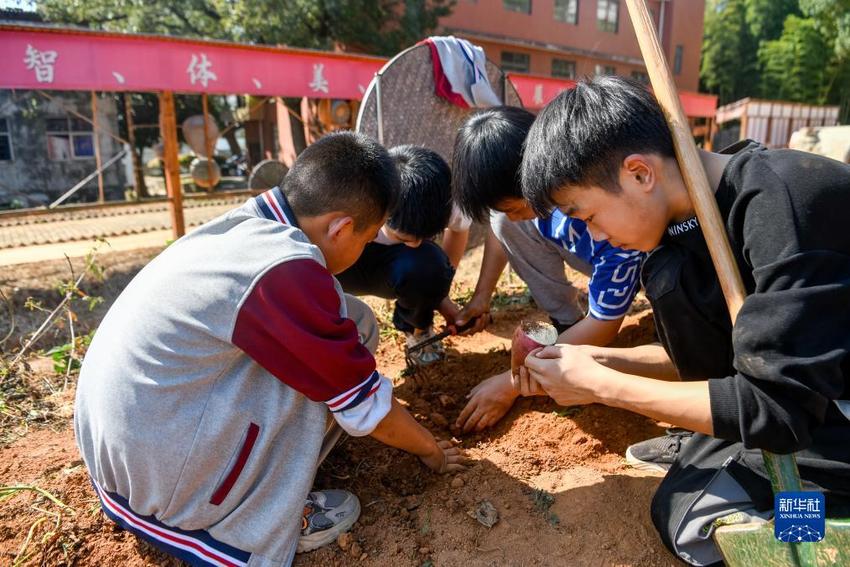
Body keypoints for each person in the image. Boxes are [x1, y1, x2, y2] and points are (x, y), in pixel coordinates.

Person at [74, 132, 465, 567]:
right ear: (341, 227)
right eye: (368, 237)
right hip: (166, 490)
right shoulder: (284, 268)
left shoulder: (250, 223)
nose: (365, 250)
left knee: (352, 322)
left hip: (126, 450)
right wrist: (430, 449)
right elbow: (367, 406)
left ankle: (245, 479)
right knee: (328, 377)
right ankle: (259, 513)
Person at [518, 75, 850, 566]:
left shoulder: (781, 205)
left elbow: (777, 412)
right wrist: (595, 357)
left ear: (639, 173)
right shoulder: (681, 230)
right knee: (680, 504)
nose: (596, 236)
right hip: (796, 402)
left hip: (824, 410)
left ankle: (819, 531)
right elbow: (726, 362)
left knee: (698, 520)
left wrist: (601, 387)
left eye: (587, 215)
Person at [449, 106, 645, 432]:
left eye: (515, 207)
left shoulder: (616, 227)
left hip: (640, 258)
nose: (512, 217)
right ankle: (567, 324)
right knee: (505, 223)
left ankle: (573, 341)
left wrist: (512, 383)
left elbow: (605, 326)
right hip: (599, 253)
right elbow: (504, 231)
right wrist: (482, 297)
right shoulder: (542, 198)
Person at [337, 145, 464, 366]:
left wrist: (439, 293)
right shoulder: (353, 197)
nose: (414, 244)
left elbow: (459, 229)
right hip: (341, 268)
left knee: (429, 265)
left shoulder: (439, 198)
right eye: (404, 238)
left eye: (424, 237)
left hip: (396, 267)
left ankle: (419, 331)